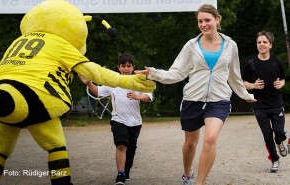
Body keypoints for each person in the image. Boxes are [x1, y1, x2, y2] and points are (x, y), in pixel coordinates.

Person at [135, 4, 256, 185]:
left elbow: (234, 76)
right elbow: (177, 73)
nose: (203, 24)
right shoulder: (191, 45)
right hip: (192, 99)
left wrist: (244, 94)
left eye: (207, 20)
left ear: (217, 20)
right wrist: (152, 73)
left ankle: (199, 182)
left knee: (210, 138)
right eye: (200, 21)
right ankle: (187, 173)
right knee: (190, 144)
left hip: (219, 100)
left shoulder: (231, 45)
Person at [80, 53, 153, 185]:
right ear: (118, 67)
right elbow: (98, 91)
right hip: (118, 120)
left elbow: (149, 96)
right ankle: (120, 175)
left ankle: (126, 169)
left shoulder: (138, 81)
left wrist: (138, 97)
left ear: (133, 67)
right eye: (123, 66)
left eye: (128, 66)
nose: (126, 68)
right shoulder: (113, 82)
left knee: (131, 149)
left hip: (135, 122)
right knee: (121, 145)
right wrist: (88, 82)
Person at [242, 31, 288, 173]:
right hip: (259, 105)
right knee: (267, 135)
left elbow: (283, 79)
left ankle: (280, 140)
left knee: (279, 131)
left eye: (264, 42)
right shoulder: (251, 63)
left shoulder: (276, 62)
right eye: (259, 42)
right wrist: (253, 86)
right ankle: (274, 160)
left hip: (276, 104)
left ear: (270, 45)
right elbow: (243, 83)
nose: (261, 44)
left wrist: (281, 84)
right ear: (257, 45)